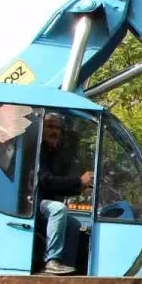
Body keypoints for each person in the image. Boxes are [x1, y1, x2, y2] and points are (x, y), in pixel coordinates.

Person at [37, 112, 92, 275]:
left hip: (42, 201)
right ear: (41, 128)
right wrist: (78, 182)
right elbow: (46, 181)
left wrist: (79, 187)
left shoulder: (52, 152)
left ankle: (66, 266)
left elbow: (57, 184)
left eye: (58, 128)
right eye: (50, 127)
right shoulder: (37, 150)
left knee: (73, 224)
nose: (55, 131)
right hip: (32, 203)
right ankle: (52, 260)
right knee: (58, 209)